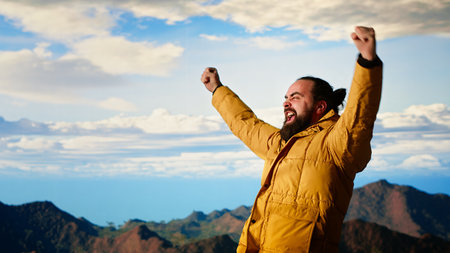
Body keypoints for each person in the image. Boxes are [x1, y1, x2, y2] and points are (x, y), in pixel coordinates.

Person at [201, 26, 382, 253]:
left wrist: (367, 63)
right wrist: (217, 89)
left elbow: (359, 116)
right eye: (286, 98)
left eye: (295, 98)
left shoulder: (335, 144)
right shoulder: (280, 143)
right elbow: (246, 124)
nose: (286, 103)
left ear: (320, 107)